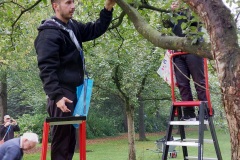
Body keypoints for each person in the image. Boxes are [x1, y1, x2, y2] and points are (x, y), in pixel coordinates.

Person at [34, 0, 116, 159]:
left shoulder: (72, 26)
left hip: (74, 91)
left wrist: (107, 8)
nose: (73, 6)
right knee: (62, 143)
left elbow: (94, 29)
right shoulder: (48, 33)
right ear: (55, 6)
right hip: (61, 94)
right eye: (68, 2)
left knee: (70, 141)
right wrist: (57, 96)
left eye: (74, 2)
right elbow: (46, 68)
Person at [163, 1, 207, 121]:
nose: (175, 3)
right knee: (182, 84)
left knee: (199, 81)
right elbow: (165, 24)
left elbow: (197, 23)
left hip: (193, 48)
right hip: (177, 52)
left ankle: (205, 112)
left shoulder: (193, 9)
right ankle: (189, 113)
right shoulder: (173, 14)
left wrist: (185, 9)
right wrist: (171, 12)